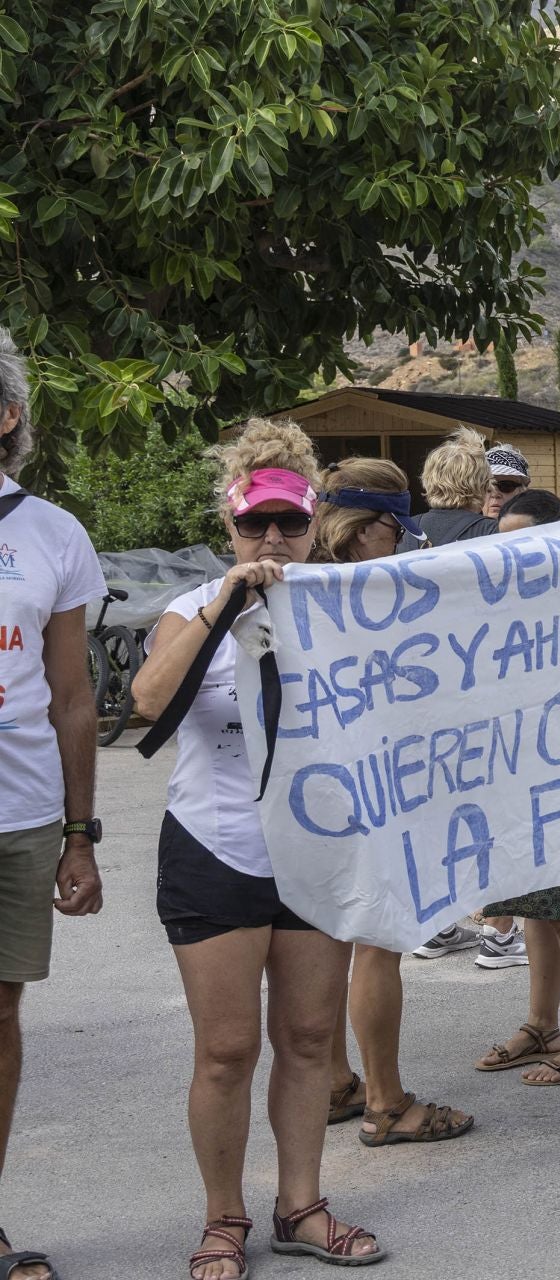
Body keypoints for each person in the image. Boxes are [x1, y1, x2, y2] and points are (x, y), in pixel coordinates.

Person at [131, 419, 384, 1274]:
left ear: (315, 521)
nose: (273, 539)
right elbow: (144, 703)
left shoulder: (354, 605)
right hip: (215, 846)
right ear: (229, 527)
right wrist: (225, 603)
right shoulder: (187, 609)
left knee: (312, 1037)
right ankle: (223, 1217)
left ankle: (301, 1205)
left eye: (290, 522)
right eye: (254, 524)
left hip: (317, 850)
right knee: (228, 1048)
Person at [311, 458, 473, 1148]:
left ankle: (335, 1082)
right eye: (393, 528)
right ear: (369, 526)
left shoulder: (298, 585)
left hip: (314, 795)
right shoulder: (377, 590)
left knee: (326, 942)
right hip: (378, 787)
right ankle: (386, 1101)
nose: (402, 541)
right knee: (379, 941)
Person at [0, 328, 105, 1280]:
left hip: (21, 820)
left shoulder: (53, 534)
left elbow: (73, 699)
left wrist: (81, 835)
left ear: (7, 416)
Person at [470, 488, 560, 1086]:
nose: (513, 554)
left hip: (558, 773)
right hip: (515, 771)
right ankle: (542, 1025)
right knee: (533, 903)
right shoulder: (511, 600)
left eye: (524, 540)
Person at [411, 427, 524, 967]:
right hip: (487, 697)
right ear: (480, 483)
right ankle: (500, 934)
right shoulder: (498, 533)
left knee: (435, 814)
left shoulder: (399, 536)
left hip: (420, 704)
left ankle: (435, 924)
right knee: (495, 815)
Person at [483, 443, 530, 520]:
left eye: (506, 486)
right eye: (486, 486)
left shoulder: (536, 530)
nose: (495, 494)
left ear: (522, 493)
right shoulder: (463, 529)